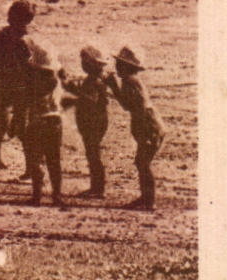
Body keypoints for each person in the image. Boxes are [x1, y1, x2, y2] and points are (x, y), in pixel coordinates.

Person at [0, 0, 35, 170]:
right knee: (6, 124)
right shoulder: (5, 38)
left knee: (19, 125)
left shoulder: (25, 40)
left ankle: (28, 165)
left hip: (16, 87)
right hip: (4, 86)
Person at [110, 45, 165, 211]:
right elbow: (129, 105)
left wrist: (113, 87)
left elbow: (136, 107)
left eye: (119, 64)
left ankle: (149, 201)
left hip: (148, 126)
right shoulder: (130, 80)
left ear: (127, 67)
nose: (116, 66)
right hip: (148, 125)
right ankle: (145, 198)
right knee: (142, 163)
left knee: (143, 163)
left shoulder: (130, 81)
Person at [60, 45, 114, 199]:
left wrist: (73, 98)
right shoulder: (97, 79)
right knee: (93, 153)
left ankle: (97, 188)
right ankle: (96, 187)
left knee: (93, 154)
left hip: (93, 122)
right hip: (95, 121)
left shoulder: (93, 81)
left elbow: (90, 100)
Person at [20, 40, 67, 207]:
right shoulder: (56, 81)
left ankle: (37, 196)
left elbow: (24, 103)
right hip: (55, 121)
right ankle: (57, 196)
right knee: (54, 161)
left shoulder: (33, 83)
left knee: (36, 160)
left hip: (37, 122)